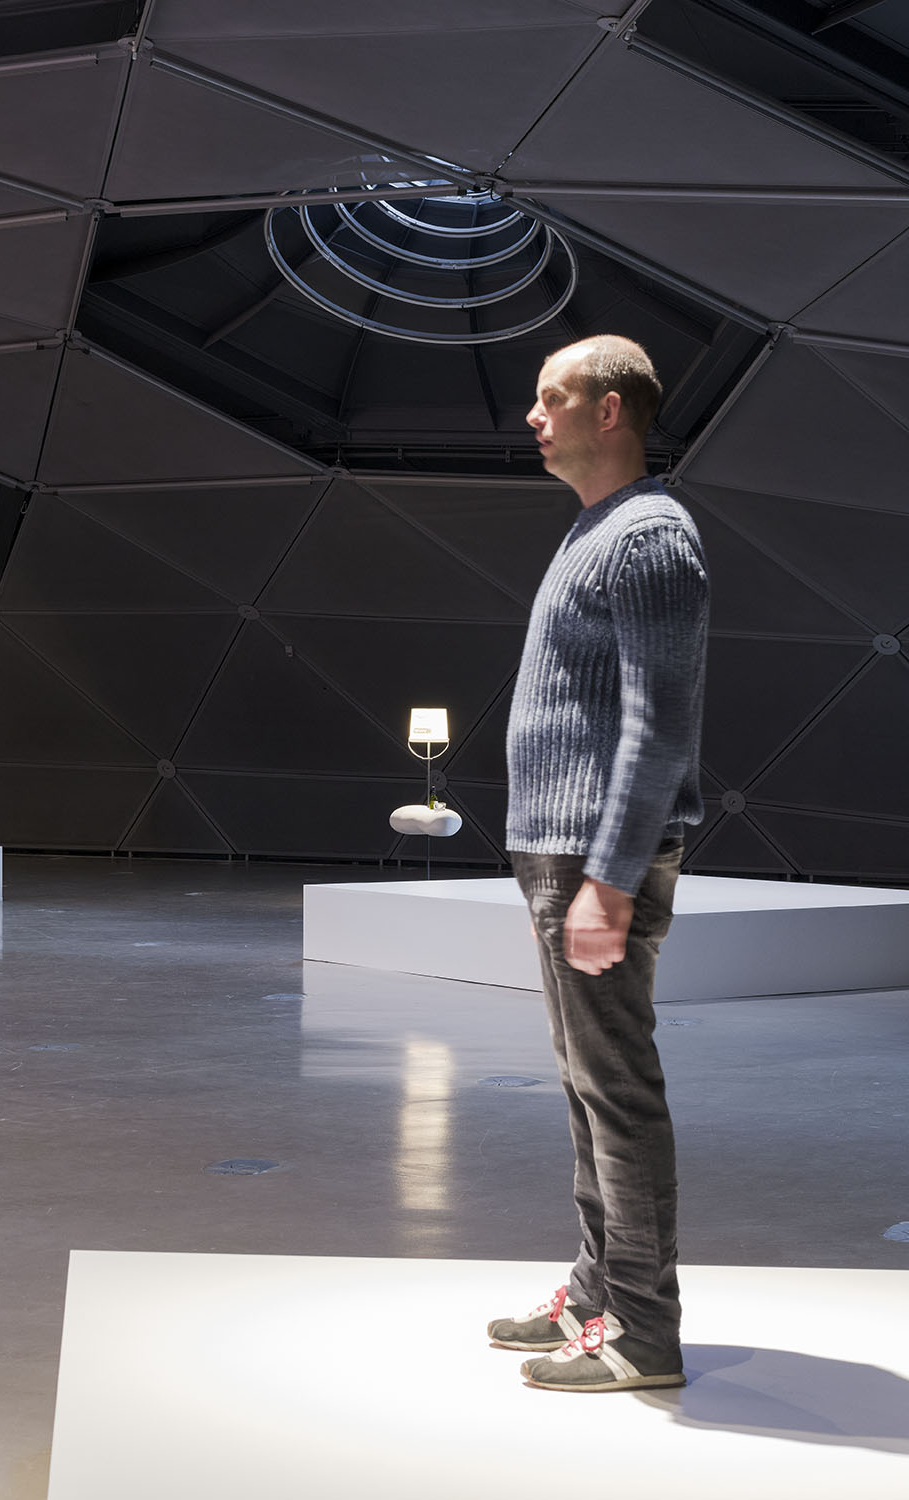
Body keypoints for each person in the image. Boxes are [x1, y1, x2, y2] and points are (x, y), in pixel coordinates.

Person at [487, 334, 708, 1393]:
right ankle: (595, 1295)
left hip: (592, 858)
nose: (533, 416)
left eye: (552, 398)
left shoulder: (648, 536)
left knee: (615, 1092)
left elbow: (658, 728)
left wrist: (609, 880)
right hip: (561, 851)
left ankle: (644, 1333)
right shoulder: (598, 529)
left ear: (608, 410)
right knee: (587, 1086)